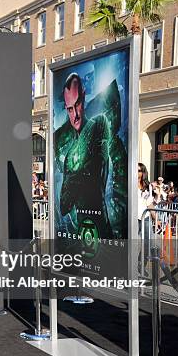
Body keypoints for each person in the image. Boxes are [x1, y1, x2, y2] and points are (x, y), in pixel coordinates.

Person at [54, 73, 127, 239]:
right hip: (81, 233)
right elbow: (64, 205)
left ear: (84, 97)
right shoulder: (71, 150)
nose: (75, 115)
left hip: (101, 228)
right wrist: (81, 174)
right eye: (70, 109)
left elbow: (97, 172)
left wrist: (74, 177)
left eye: (77, 104)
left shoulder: (98, 123)